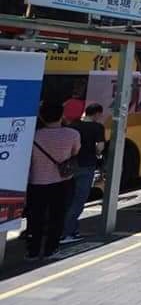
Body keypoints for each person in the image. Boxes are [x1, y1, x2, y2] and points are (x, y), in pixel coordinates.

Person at [27, 102, 81, 260]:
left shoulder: (33, 135)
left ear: (41, 117)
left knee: (36, 217)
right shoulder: (72, 134)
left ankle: (33, 250)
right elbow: (75, 152)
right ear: (62, 115)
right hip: (62, 181)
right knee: (57, 216)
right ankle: (51, 249)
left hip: (37, 182)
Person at [61, 103, 105, 243]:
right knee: (79, 199)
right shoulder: (97, 127)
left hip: (71, 165)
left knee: (68, 198)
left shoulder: (73, 125)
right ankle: (67, 232)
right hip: (87, 165)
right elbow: (100, 147)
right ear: (97, 114)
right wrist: (96, 152)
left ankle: (67, 229)